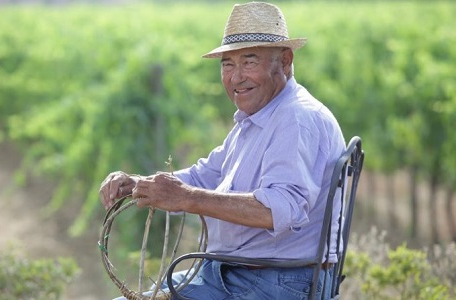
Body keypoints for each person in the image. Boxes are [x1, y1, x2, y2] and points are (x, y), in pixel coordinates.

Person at [100, 2, 345, 299]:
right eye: (228, 64)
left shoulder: (295, 118)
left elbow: (281, 208)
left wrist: (187, 198)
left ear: (285, 61)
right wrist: (139, 184)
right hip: (234, 273)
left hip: (278, 283)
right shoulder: (260, 117)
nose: (236, 77)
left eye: (249, 62)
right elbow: (205, 175)